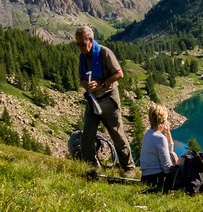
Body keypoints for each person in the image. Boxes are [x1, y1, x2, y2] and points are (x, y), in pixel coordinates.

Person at [74, 25, 135, 176]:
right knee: (87, 137)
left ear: (90, 40)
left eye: (82, 43)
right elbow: (81, 78)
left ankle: (129, 168)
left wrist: (101, 83)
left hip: (108, 99)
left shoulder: (104, 53)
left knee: (117, 135)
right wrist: (85, 84)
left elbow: (119, 73)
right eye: (77, 44)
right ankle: (93, 168)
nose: (79, 47)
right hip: (93, 101)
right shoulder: (83, 57)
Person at [139, 103, 179, 189]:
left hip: (145, 177)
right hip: (157, 178)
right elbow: (167, 167)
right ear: (163, 120)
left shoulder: (148, 134)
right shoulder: (160, 138)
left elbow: (168, 151)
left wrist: (168, 133)